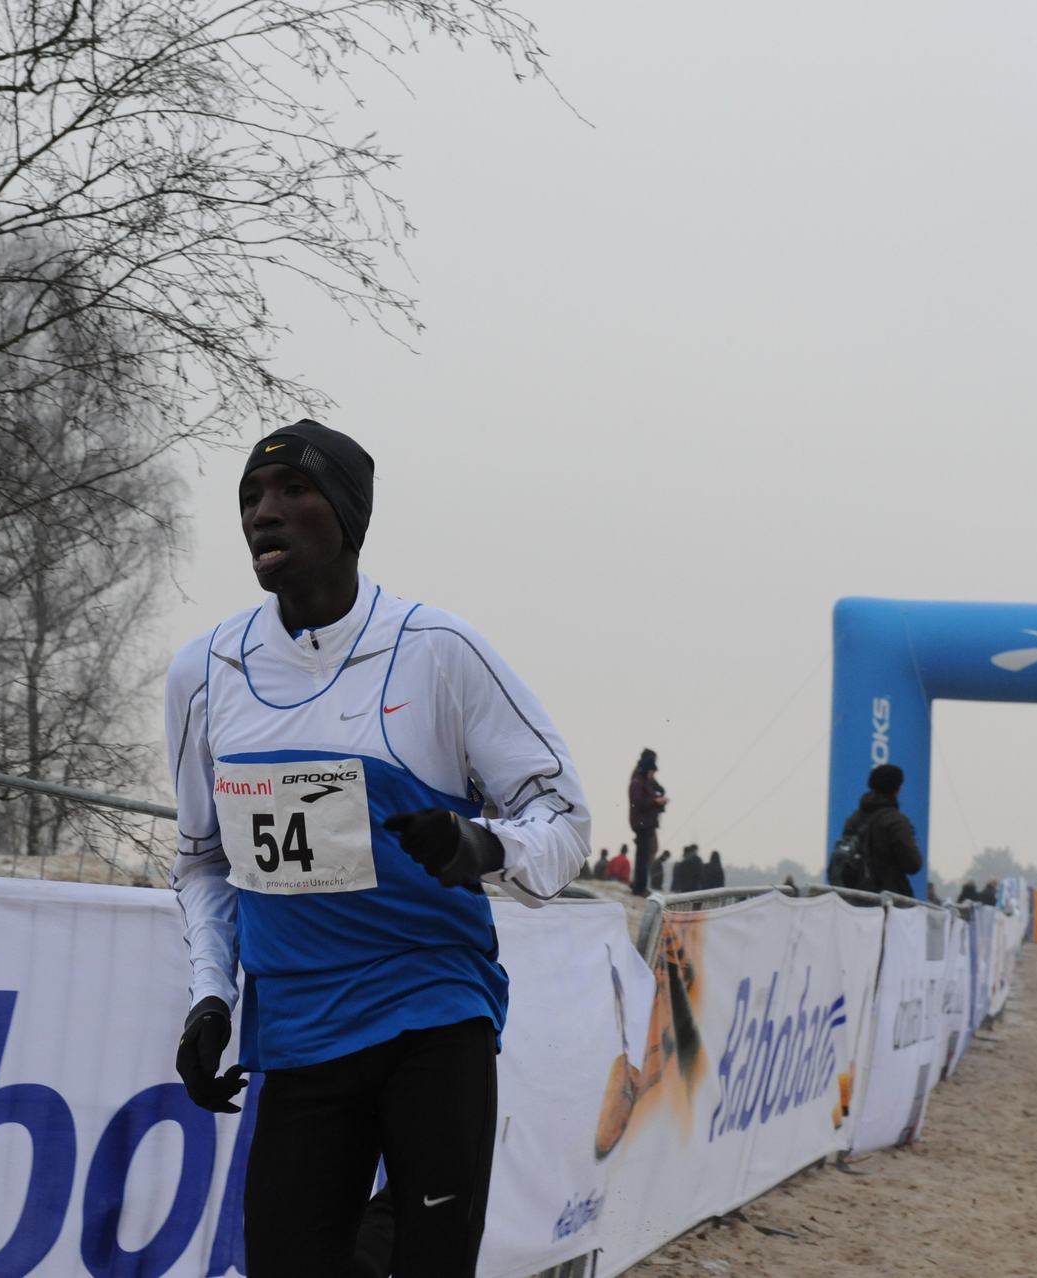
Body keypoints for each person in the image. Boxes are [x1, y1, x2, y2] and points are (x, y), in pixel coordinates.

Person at [166, 419, 592, 1277]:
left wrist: (482, 845)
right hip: (298, 1031)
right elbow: (205, 861)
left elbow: (564, 821)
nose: (262, 513)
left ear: (348, 514)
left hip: (430, 1015)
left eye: (293, 490)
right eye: (250, 496)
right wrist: (211, 995)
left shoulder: (438, 652)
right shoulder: (205, 671)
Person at [834, 763, 923, 897]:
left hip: (852, 899)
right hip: (888, 901)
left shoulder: (853, 820)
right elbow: (913, 864)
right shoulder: (896, 821)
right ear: (897, 789)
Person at [627, 749, 665, 898]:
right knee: (646, 853)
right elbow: (639, 801)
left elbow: (655, 788)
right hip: (643, 822)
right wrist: (655, 801)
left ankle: (638, 883)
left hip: (646, 821)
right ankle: (638, 884)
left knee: (646, 852)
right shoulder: (639, 778)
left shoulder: (641, 775)